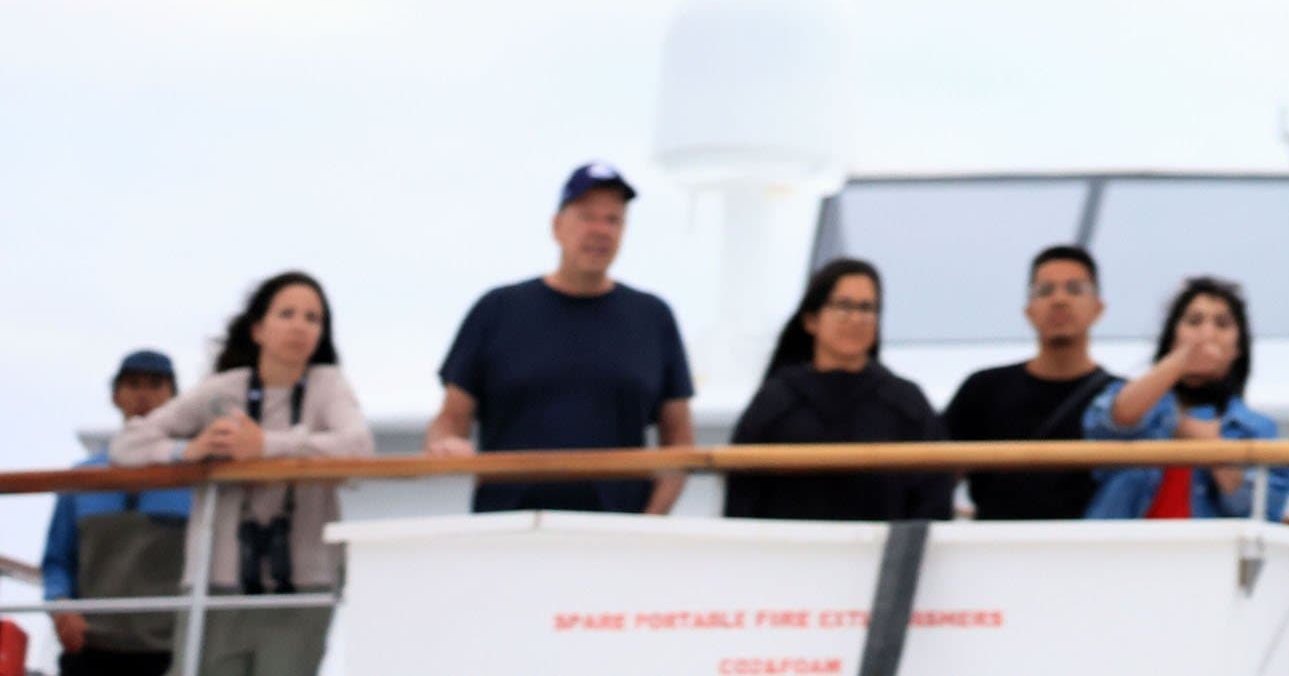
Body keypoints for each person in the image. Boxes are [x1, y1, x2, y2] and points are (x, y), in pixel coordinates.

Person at [111, 273, 373, 676]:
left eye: (313, 318)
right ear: (258, 329)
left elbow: (358, 446)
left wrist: (267, 446)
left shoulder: (328, 386)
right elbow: (126, 446)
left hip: (303, 584)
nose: (300, 326)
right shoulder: (222, 389)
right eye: (286, 313)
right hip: (216, 582)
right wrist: (189, 450)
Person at [426, 162, 696, 513]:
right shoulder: (497, 309)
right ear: (557, 226)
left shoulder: (653, 317)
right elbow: (451, 419)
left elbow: (678, 441)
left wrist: (647, 525)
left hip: (617, 533)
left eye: (613, 220)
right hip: (509, 531)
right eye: (586, 216)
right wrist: (445, 444)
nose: (600, 230)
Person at [722, 258, 951, 522]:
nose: (856, 319)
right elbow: (742, 494)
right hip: (792, 554)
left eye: (867, 308)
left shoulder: (906, 402)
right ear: (811, 320)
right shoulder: (776, 400)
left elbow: (934, 495)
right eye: (844, 306)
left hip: (884, 556)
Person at [1082, 276, 1289, 521]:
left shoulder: (1255, 428)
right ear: (1172, 336)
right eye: (1194, 322)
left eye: (1222, 324)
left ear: (1238, 348)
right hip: (1124, 554)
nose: (1206, 335)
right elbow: (1110, 422)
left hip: (1207, 557)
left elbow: (1256, 508)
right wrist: (1180, 361)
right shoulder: (1137, 401)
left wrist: (1211, 445)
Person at [943, 244, 1120, 519]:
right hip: (996, 552)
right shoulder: (982, 391)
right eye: (1045, 290)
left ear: (1098, 308)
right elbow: (935, 479)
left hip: (1097, 553)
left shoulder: (1121, 398)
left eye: (1075, 289)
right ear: (1029, 309)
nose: (1059, 300)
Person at [43, 351, 190, 676]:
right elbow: (57, 560)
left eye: (155, 384)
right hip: (90, 650)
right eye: (133, 383)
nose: (143, 394)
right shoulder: (80, 480)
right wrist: (60, 606)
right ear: (115, 396)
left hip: (168, 653)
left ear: (173, 398)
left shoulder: (193, 482)